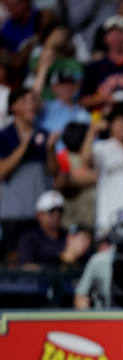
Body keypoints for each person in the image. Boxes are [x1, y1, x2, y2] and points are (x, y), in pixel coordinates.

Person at [0, 88, 57, 261]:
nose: (31, 105)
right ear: (13, 107)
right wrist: (23, 146)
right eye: (25, 101)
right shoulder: (4, 136)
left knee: (38, 260)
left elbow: (53, 172)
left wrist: (51, 150)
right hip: (13, 213)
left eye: (33, 101)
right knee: (13, 259)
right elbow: (2, 171)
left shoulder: (43, 134)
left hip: (40, 214)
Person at [81, 105, 123, 235]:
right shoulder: (101, 147)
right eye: (118, 121)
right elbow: (85, 160)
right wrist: (92, 131)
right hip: (108, 221)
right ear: (111, 124)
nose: (122, 125)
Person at [17, 190, 91, 270]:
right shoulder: (30, 238)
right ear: (39, 215)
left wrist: (78, 253)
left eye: (60, 210)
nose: (57, 214)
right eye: (51, 211)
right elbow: (26, 266)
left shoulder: (69, 236)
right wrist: (62, 259)